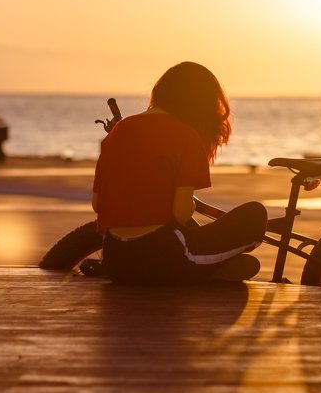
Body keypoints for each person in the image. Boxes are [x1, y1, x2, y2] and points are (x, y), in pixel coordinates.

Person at [92, 61, 267, 284]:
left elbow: (98, 204)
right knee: (254, 215)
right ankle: (202, 272)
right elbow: (182, 213)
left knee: (242, 264)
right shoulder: (185, 136)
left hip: (116, 261)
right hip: (164, 259)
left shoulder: (118, 131)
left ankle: (206, 269)